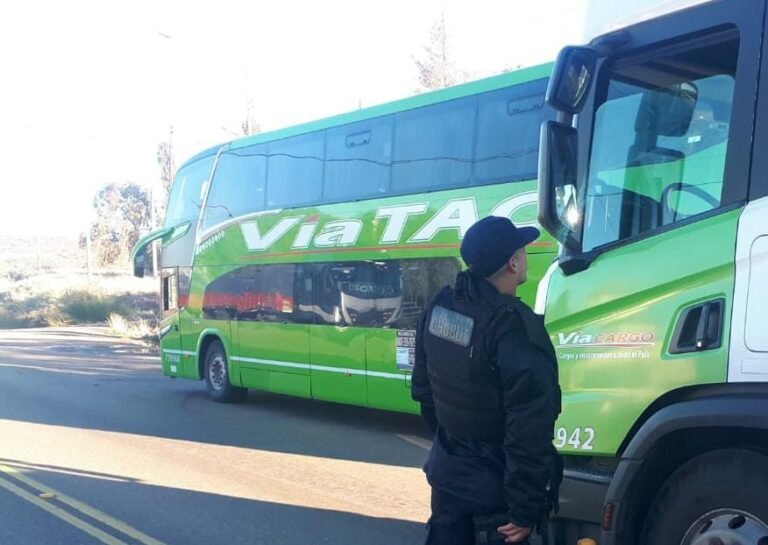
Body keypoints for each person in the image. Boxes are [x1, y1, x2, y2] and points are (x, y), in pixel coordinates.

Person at [411, 216, 562, 545]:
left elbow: (424, 391)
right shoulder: (514, 328)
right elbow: (529, 429)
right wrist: (524, 508)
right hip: (495, 494)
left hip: (447, 476)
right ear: (512, 262)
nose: (525, 258)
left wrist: (454, 444)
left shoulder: (441, 304)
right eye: (523, 251)